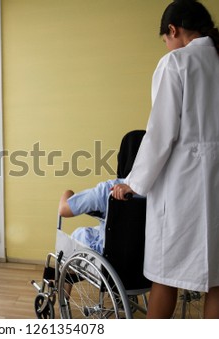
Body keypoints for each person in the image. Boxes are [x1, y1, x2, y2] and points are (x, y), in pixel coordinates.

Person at [111, 0, 219, 319]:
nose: (167, 45)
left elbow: (160, 134)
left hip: (184, 187)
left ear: (172, 30)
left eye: (165, 39)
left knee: (165, 274)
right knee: (216, 280)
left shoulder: (177, 62)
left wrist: (133, 183)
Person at [58, 130, 145, 254]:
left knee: (80, 234)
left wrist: (68, 192)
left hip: (110, 259)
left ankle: (68, 271)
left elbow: (64, 210)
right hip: (144, 260)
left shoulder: (111, 189)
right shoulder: (161, 193)